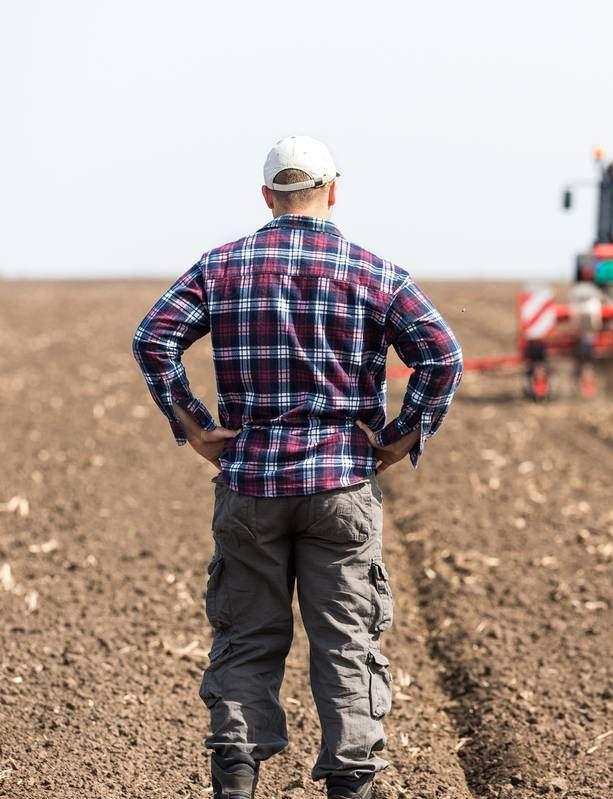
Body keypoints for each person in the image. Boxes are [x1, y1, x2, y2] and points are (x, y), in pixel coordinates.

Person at [132, 135, 463, 799]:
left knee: (247, 636)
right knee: (347, 640)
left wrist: (194, 425)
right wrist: (399, 438)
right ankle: (351, 785)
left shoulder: (222, 266)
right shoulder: (375, 271)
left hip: (250, 484)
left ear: (267, 197)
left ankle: (235, 780)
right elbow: (443, 356)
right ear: (333, 191)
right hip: (342, 484)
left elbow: (154, 337)